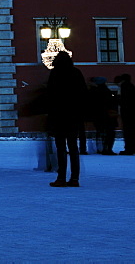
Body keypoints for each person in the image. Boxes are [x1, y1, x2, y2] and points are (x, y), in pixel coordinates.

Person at [47, 52, 87, 187]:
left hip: (59, 116)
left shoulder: (55, 73)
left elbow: (50, 95)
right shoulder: (76, 73)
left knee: (61, 148)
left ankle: (61, 177)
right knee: (73, 148)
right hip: (73, 116)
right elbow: (83, 94)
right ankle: (75, 178)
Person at [116, 74, 135, 155]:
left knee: (128, 131)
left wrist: (118, 99)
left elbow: (124, 100)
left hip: (127, 112)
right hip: (134, 112)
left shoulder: (124, 86)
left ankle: (129, 149)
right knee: (134, 131)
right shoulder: (131, 86)